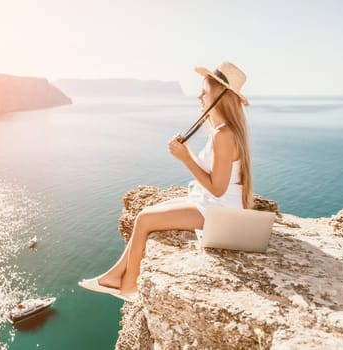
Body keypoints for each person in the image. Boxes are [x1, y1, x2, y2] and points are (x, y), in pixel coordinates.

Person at [79, 61, 253, 301]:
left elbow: (219, 189)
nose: (199, 96)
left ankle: (129, 287)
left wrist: (185, 157)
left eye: (205, 91)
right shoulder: (222, 131)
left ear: (220, 95)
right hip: (214, 205)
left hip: (220, 211)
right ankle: (114, 275)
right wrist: (187, 153)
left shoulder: (224, 135)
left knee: (143, 219)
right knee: (149, 210)